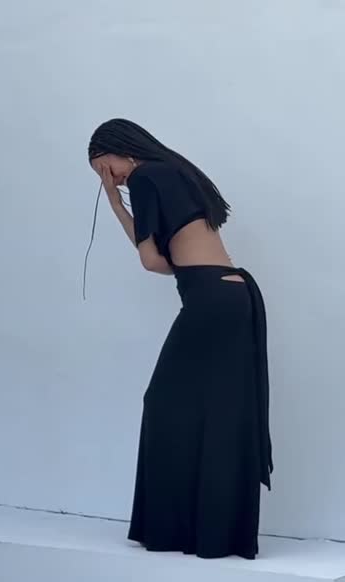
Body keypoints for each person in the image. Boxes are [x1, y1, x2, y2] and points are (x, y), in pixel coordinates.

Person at [88, 118, 273, 559]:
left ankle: (172, 529)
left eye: (105, 167)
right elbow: (176, 258)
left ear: (120, 150)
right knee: (219, 410)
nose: (109, 178)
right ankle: (215, 533)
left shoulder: (145, 177)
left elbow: (152, 262)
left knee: (163, 402)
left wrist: (116, 203)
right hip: (234, 293)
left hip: (210, 298)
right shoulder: (175, 171)